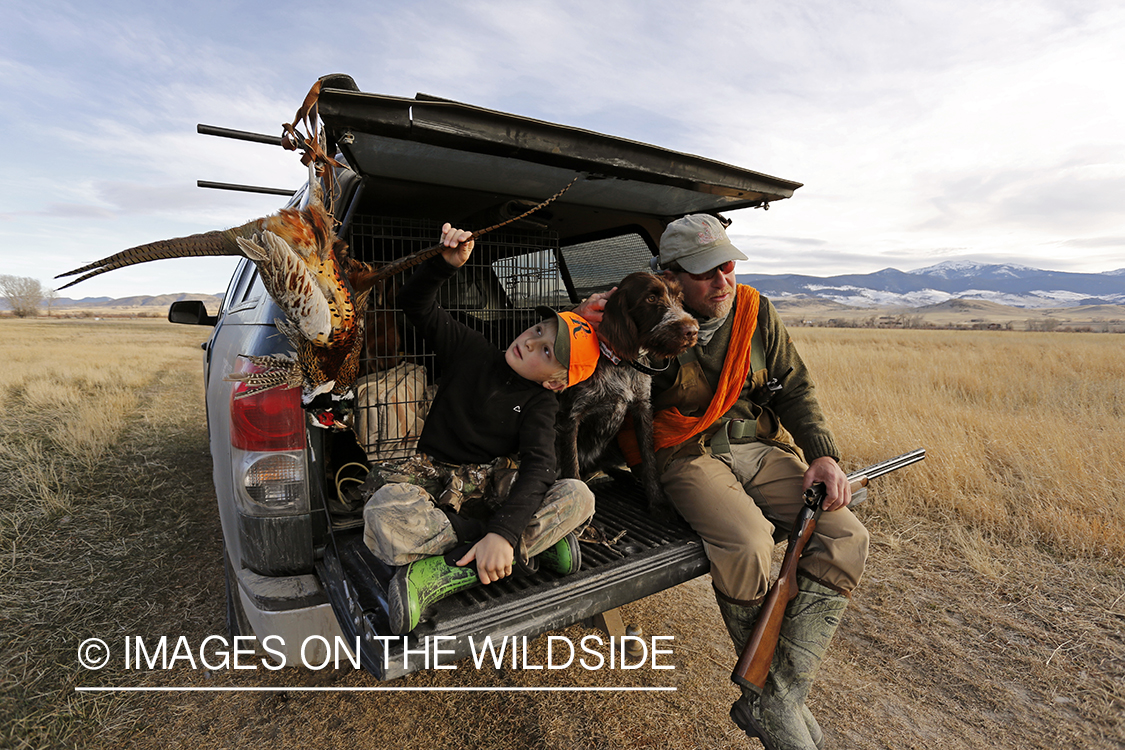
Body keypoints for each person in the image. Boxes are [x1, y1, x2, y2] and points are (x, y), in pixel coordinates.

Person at [626, 214, 867, 749]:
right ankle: (775, 702)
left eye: (729, 266)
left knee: (848, 536)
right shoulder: (641, 316)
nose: (723, 282)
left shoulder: (756, 313)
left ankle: (776, 696)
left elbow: (796, 388)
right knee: (749, 544)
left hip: (756, 445)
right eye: (706, 272)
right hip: (684, 453)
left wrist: (823, 456)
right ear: (671, 276)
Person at [362, 223, 601, 636]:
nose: (530, 341)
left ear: (556, 382)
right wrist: (444, 264)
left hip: (489, 486)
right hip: (434, 479)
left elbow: (541, 467)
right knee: (382, 514)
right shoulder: (471, 348)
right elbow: (414, 304)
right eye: (539, 330)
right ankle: (517, 549)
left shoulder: (541, 404)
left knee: (579, 495)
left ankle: (445, 571)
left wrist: (503, 529)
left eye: (547, 351)